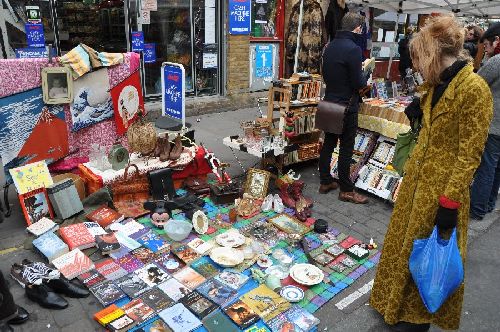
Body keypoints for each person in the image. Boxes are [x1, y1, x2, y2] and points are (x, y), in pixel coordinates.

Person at [370, 15, 493, 332]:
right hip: (416, 185)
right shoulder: (438, 84)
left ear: (436, 54)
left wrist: (449, 204)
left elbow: (469, 154)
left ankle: (417, 318)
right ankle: (395, 305)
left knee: (427, 259)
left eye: (421, 58)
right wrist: (418, 109)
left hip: (441, 192)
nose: (418, 67)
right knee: (404, 249)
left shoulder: (474, 89)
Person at [318, 12, 369, 204]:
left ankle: (325, 181)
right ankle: (346, 190)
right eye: (361, 29)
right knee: (346, 148)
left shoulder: (329, 46)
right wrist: (364, 72)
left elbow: (325, 74)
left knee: (329, 144)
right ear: (357, 28)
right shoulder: (353, 49)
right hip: (347, 105)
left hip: (330, 101)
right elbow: (358, 82)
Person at [470, 23, 500, 220]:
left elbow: (475, 85)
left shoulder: (496, 61)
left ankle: (477, 209)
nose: (485, 50)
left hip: (493, 123)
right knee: (496, 168)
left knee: (486, 168)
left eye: (487, 45)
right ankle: (488, 204)